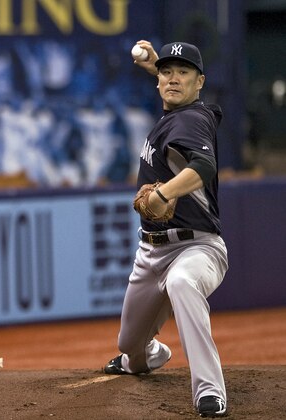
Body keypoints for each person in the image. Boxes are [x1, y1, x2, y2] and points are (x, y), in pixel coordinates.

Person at [101, 41, 229, 418]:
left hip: (197, 249)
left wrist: (164, 192)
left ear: (200, 81)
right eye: (167, 73)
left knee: (181, 284)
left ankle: (209, 390)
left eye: (184, 73)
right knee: (130, 346)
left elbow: (204, 165)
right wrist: (156, 66)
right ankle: (146, 356)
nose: (173, 79)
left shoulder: (191, 120)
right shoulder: (188, 109)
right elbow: (172, 82)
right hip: (151, 253)